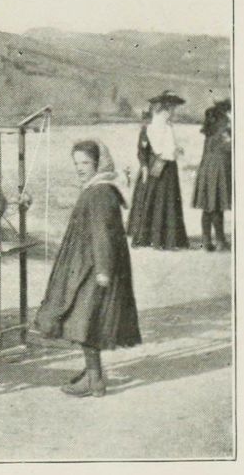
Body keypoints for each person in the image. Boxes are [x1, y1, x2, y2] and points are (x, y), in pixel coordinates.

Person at [35, 140, 141, 397]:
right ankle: (93, 374)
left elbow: (102, 233)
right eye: (77, 163)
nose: (80, 168)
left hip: (93, 267)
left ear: (98, 163)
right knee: (86, 320)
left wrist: (103, 270)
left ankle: (94, 380)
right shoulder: (98, 189)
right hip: (87, 263)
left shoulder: (99, 193)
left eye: (85, 162)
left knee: (85, 321)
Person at [127, 90, 190, 250]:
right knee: (152, 201)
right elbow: (142, 151)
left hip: (168, 169)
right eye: (170, 109)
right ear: (163, 109)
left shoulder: (168, 127)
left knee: (166, 202)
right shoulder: (149, 128)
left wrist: (177, 150)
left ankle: (165, 239)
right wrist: (144, 167)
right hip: (154, 168)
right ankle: (149, 238)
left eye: (173, 109)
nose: (172, 113)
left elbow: (169, 148)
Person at [193, 98, 232, 251]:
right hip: (219, 168)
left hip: (207, 168)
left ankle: (207, 240)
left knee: (208, 206)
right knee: (217, 206)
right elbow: (228, 148)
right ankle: (220, 241)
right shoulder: (225, 126)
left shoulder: (211, 128)